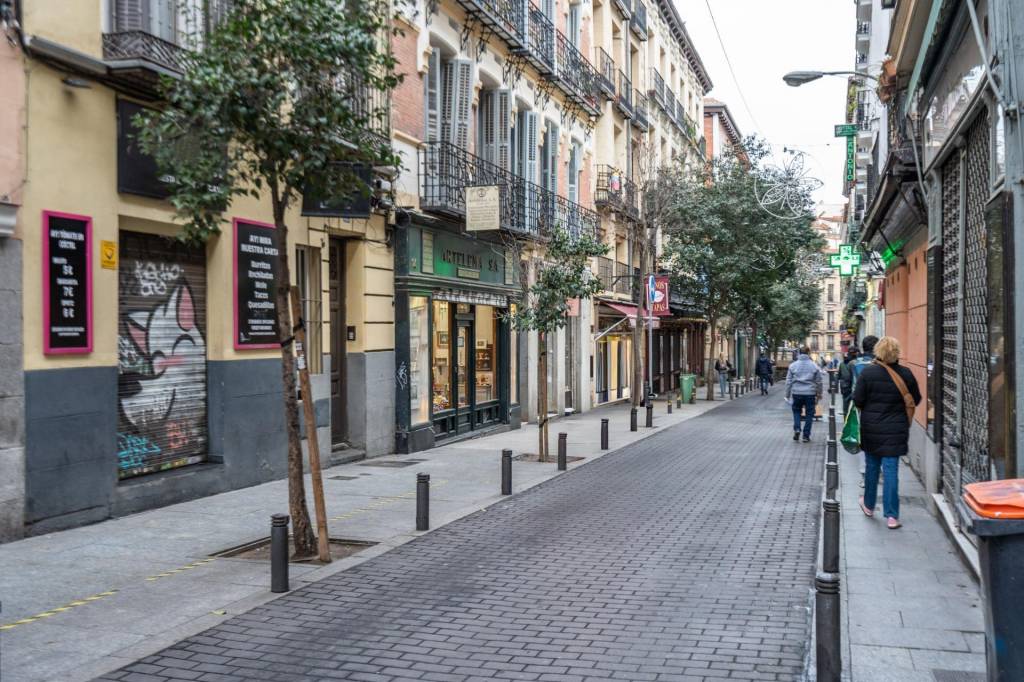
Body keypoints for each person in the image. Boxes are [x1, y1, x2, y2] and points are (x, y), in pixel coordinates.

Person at [853, 336, 921, 529]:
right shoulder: (906, 374)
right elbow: (915, 399)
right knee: (891, 471)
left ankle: (868, 505)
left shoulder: (868, 373)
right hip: (896, 429)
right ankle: (892, 516)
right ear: (896, 352)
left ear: (878, 351)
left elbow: (858, 400)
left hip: (871, 428)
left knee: (872, 468)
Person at [786, 346, 823, 442]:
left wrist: (787, 394)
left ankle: (797, 429)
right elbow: (819, 381)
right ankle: (806, 436)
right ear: (808, 353)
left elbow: (788, 381)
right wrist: (819, 393)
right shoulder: (814, 366)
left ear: (799, 353)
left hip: (796, 392)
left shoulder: (793, 365)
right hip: (810, 393)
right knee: (809, 414)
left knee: (796, 411)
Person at [839, 347, 860, 415]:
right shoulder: (857, 363)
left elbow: (840, 376)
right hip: (854, 388)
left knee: (846, 407)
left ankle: (846, 419)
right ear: (857, 354)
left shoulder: (843, 363)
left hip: (846, 388)